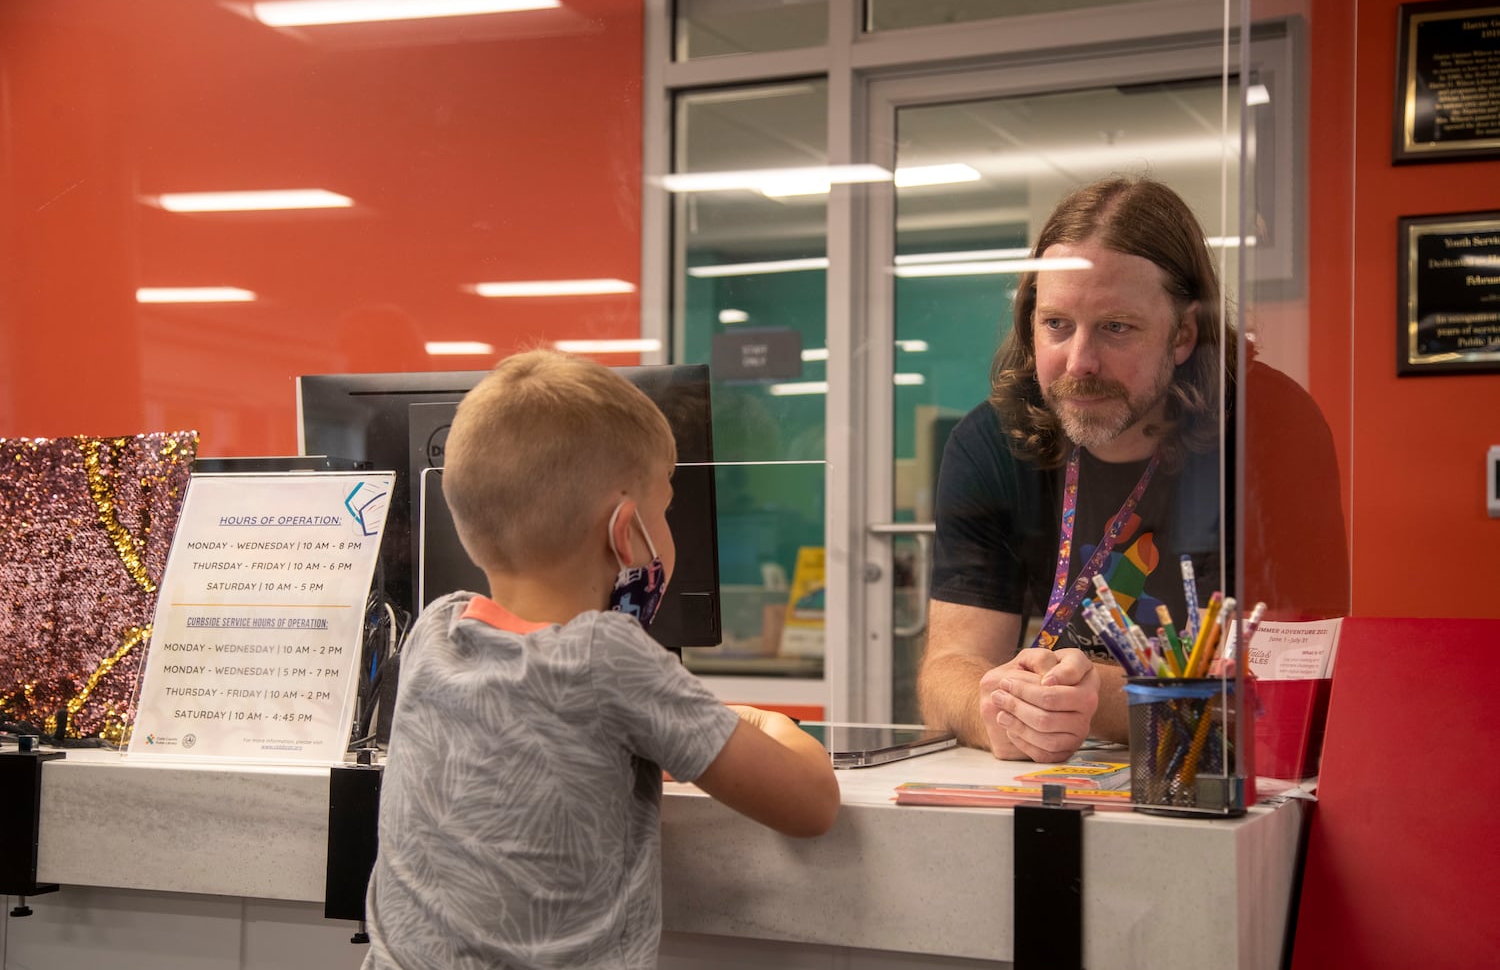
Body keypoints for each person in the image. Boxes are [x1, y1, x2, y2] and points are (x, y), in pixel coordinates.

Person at [362, 349, 840, 970]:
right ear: (626, 533)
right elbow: (810, 805)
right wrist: (771, 726)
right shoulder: (608, 657)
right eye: (665, 509)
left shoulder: (432, 632)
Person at [917, 176, 1348, 764]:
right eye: (1056, 325)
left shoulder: (1268, 426)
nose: (1080, 362)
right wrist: (1002, 708)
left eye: (1117, 327)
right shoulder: (991, 440)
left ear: (1183, 335)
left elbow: (1288, 696)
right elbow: (948, 671)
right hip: (1057, 781)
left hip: (1226, 782)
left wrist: (1098, 698)